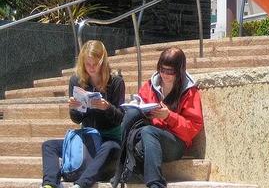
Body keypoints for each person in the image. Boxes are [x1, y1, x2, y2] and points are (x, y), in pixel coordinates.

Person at [41, 40, 125, 188]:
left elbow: (120, 118)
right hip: (88, 137)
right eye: (88, 64)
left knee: (111, 147)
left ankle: (80, 185)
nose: (91, 68)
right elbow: (76, 119)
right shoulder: (77, 80)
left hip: (108, 138)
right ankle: (49, 183)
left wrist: (107, 108)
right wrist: (75, 108)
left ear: (102, 62)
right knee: (49, 146)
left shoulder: (116, 82)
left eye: (95, 64)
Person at [117, 47, 204, 188]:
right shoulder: (151, 85)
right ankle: (122, 169)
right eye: (162, 70)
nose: (165, 75)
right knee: (132, 116)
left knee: (148, 132)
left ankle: (155, 183)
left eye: (171, 71)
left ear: (180, 70)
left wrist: (169, 116)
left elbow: (192, 127)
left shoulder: (189, 92)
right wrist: (137, 107)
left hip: (175, 142)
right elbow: (141, 103)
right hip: (149, 136)